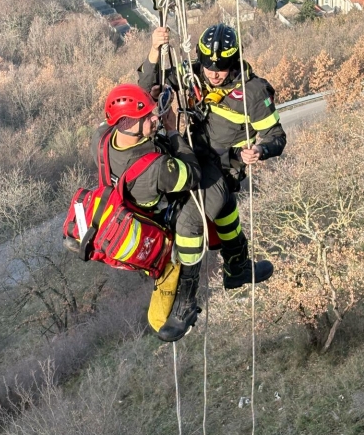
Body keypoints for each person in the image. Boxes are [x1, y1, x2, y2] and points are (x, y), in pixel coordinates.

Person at [138, 22, 287, 288]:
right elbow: (149, 87)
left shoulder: (253, 92)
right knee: (219, 208)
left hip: (222, 167)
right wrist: (153, 50)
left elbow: (277, 137)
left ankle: (186, 291)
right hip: (190, 152)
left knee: (193, 220)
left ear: (235, 62)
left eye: (221, 70)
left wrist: (260, 150)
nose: (214, 75)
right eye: (209, 67)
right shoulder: (194, 74)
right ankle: (237, 265)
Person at [91, 83, 205, 341]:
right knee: (193, 215)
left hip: (118, 213)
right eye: (148, 117)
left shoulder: (100, 141)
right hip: (153, 224)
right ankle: (187, 296)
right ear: (130, 125)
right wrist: (175, 132)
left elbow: (109, 120)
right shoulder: (156, 168)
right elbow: (194, 175)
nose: (156, 118)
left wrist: (147, 99)